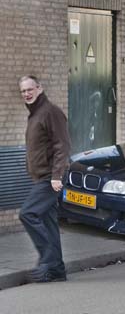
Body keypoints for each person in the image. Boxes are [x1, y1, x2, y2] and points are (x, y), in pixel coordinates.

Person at [18, 75, 71, 283]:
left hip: (51, 178)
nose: (27, 94)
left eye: (30, 89)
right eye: (23, 91)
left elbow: (63, 145)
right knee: (48, 222)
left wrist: (57, 175)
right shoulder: (35, 114)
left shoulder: (50, 112)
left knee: (27, 213)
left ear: (39, 88)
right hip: (41, 176)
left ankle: (47, 259)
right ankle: (57, 270)